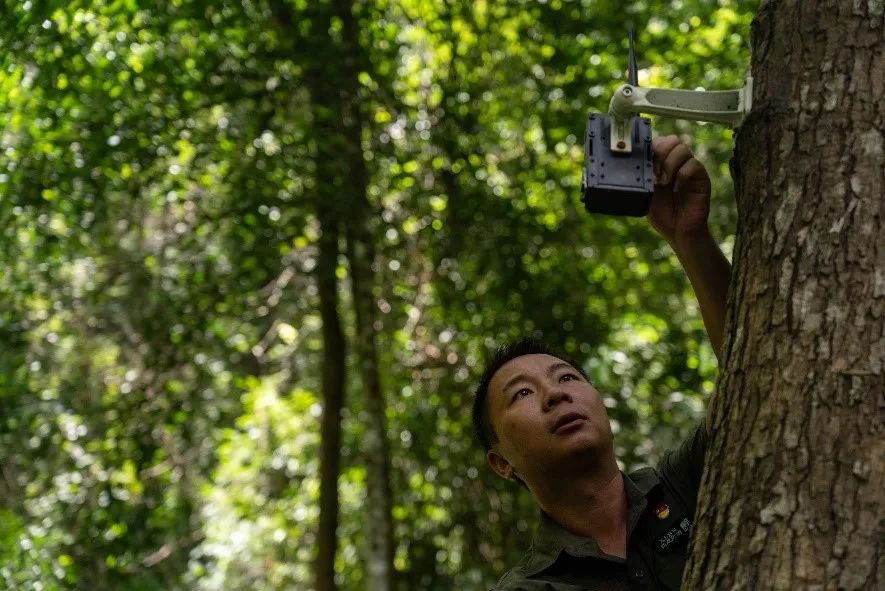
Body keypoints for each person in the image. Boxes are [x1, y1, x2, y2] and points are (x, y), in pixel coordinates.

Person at [472, 135, 733, 590]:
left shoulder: (687, 482)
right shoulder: (531, 588)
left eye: (567, 377)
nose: (555, 394)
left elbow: (755, 374)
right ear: (501, 463)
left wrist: (688, 237)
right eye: (523, 394)